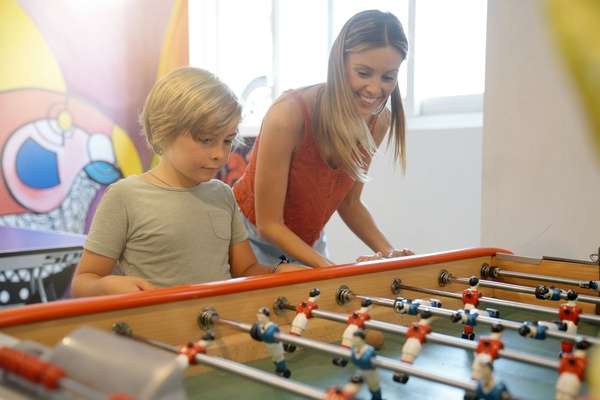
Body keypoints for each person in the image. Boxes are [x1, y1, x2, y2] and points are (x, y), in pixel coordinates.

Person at [71, 67, 303, 297]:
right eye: (206, 140)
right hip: (155, 329)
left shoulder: (222, 195)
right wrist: (106, 286)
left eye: (227, 141)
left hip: (216, 327)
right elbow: (83, 282)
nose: (219, 154)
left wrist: (277, 271)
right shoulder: (124, 196)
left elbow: (246, 269)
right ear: (165, 131)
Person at [233, 10, 413, 268]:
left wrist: (389, 253)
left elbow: (349, 203)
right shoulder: (287, 116)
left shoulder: (378, 120)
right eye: (363, 73)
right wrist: (331, 269)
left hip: (307, 243)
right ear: (339, 63)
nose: (375, 89)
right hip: (250, 243)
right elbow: (269, 225)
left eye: (388, 77)